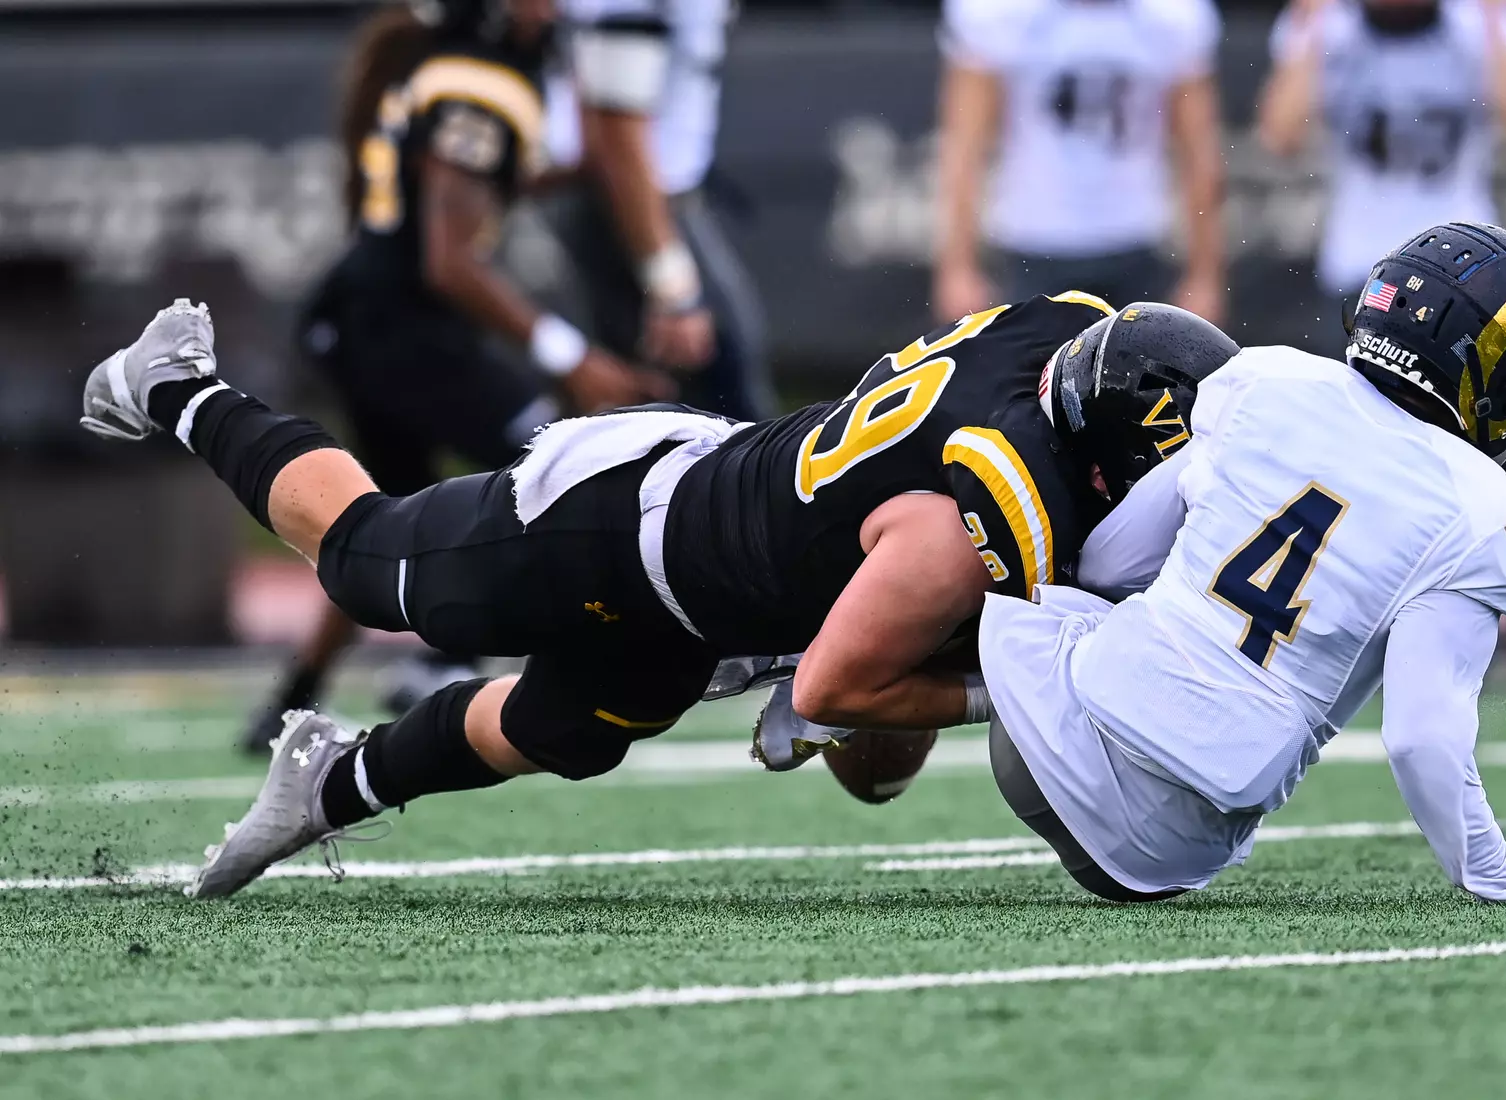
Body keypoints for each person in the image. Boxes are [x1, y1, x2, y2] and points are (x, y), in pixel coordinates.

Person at [78, 287, 1238, 898]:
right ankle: (178, 380)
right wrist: (1015, 684)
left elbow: (863, 760)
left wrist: (902, 665)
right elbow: (842, 695)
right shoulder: (964, 519)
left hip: (712, 590)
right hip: (617, 524)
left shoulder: (1057, 346)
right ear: (1110, 460)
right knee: (370, 561)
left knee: (565, 729)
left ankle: (328, 782)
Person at [979, 223, 1506, 906]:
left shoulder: (1266, 379)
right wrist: (1501, 880)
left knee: (1043, 590)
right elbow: (1421, 739)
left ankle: (869, 702)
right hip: (1159, 848)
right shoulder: (1487, 515)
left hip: (1033, 736)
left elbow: (1110, 563)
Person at [237, 0, 668, 752]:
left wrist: (583, 165)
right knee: (554, 471)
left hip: (369, 320)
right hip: (399, 329)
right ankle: (457, 656)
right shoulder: (478, 86)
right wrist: (575, 357)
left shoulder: (459, 76)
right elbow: (451, 260)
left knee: (378, 515)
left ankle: (292, 696)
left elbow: (462, 194)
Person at [1257, 0, 1506, 354]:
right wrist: (1312, 27)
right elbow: (1279, 135)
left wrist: (1493, 22)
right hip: (1360, 267)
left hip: (1461, 271)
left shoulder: (1477, 20)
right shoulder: (1330, 24)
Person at [544, 0, 777, 422]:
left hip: (642, 197)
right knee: (727, 412)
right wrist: (672, 286)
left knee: (664, 417)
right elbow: (614, 130)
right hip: (626, 205)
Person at [932, 0, 1227, 326]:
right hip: (1034, 240)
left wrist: (1205, 274)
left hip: (1135, 238)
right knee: (1033, 374)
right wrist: (958, 265)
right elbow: (964, 145)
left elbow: (1198, 151)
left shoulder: (1172, 17)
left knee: (1139, 373)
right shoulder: (999, 14)